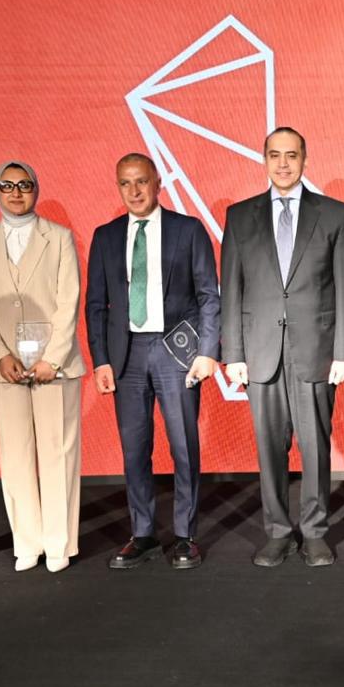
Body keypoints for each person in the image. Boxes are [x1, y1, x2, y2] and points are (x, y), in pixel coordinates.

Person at [221, 128, 344, 567]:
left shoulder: (334, 214)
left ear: (305, 159)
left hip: (316, 350)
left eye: (292, 155)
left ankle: (315, 533)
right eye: (275, 155)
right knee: (269, 448)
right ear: (264, 159)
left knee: (315, 448)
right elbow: (231, 289)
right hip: (260, 352)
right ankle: (278, 533)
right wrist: (233, 354)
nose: (283, 163)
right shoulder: (240, 217)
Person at [84, 153, 220, 570]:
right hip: (126, 356)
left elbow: (208, 295)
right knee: (134, 449)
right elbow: (96, 305)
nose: (134, 191)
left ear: (157, 183)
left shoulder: (187, 229)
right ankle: (142, 533)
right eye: (125, 183)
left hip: (175, 351)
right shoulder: (106, 236)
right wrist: (101, 360)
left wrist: (207, 352)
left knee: (183, 446)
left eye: (141, 181)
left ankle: (184, 535)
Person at [0, 161, 86, 573]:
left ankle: (58, 543)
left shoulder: (60, 237)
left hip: (56, 365)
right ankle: (27, 542)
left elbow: (69, 300)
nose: (16, 192)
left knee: (58, 453)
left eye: (24, 184)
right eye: (7, 185)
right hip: (6, 368)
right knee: (15, 455)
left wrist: (53, 357)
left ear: (36, 188)